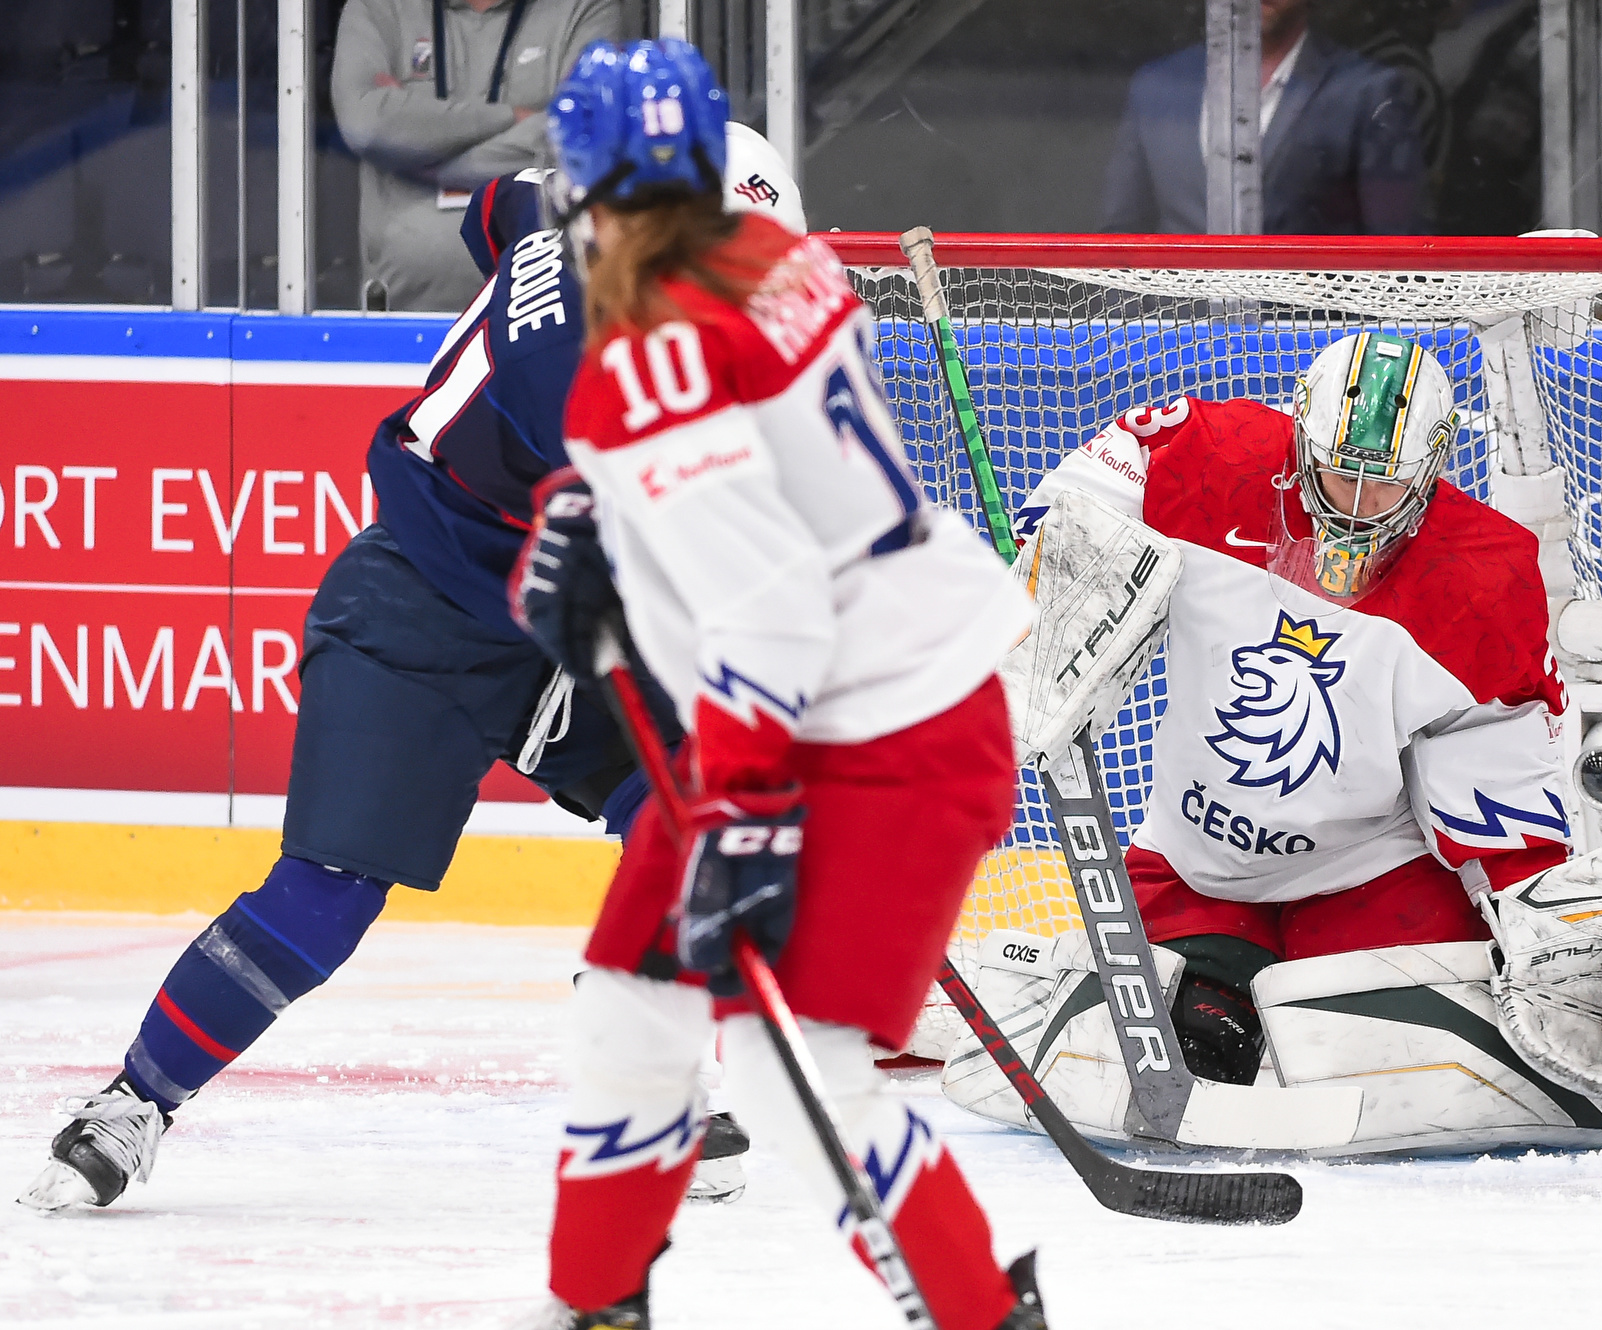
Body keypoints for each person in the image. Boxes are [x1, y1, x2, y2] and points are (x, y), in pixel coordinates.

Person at [17, 123, 807, 1216]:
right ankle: (134, 1102)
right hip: (426, 608)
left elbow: (500, 210)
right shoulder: (578, 372)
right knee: (324, 897)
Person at [941, 332, 1602, 1155]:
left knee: (1382, 1056)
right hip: (1198, 866)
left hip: (1373, 873)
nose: (1353, 504)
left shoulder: (1481, 576)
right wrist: (1048, 583)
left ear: (1433, 468)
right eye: (1336, 472)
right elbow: (1104, 477)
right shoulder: (1211, 460)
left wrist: (1539, 914)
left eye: (1382, 485)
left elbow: (1493, 761)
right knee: (1203, 1046)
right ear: (1299, 436)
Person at [505, 39, 1043, 1330]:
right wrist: (610, 519)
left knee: (791, 1067)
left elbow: (767, 601)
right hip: (834, 696)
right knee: (633, 1005)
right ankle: (593, 1303)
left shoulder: (648, 357)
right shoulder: (776, 257)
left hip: (864, 734)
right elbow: (772, 487)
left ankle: (975, 1313)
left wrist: (745, 810)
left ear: (585, 192)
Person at [331, 0, 626, 312]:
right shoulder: (377, 7)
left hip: (540, 312)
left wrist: (420, 155)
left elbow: (579, 135)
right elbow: (366, 125)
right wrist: (514, 118)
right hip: (401, 314)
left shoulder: (585, 7)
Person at [1100, 0, 1428, 234]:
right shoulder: (1156, 87)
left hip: (1311, 314)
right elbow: (1120, 240)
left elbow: (1399, 255)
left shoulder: (1367, 91)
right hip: (1179, 313)